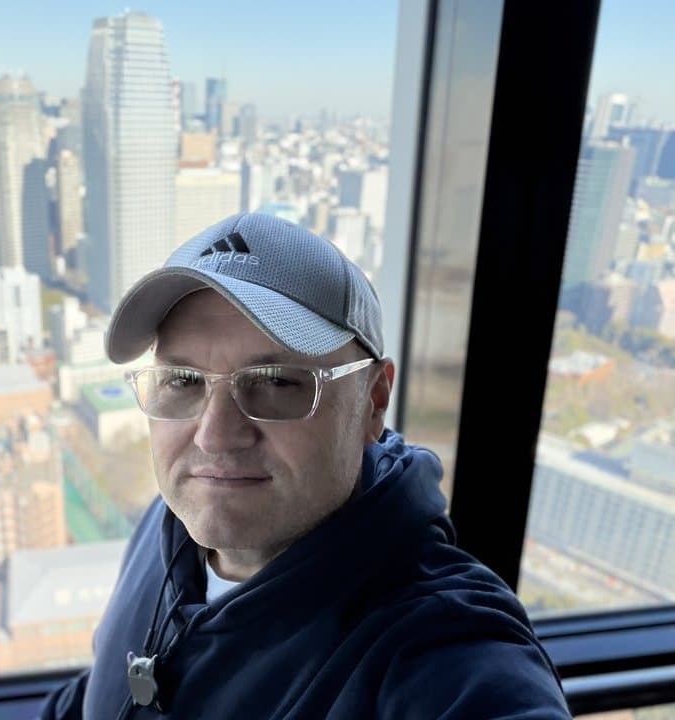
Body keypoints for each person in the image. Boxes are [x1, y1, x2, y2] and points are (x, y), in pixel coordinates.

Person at [38, 212, 571, 719]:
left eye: (276, 382)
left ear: (373, 401)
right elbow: (100, 694)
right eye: (183, 380)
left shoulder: (434, 647)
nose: (214, 437)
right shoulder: (169, 523)